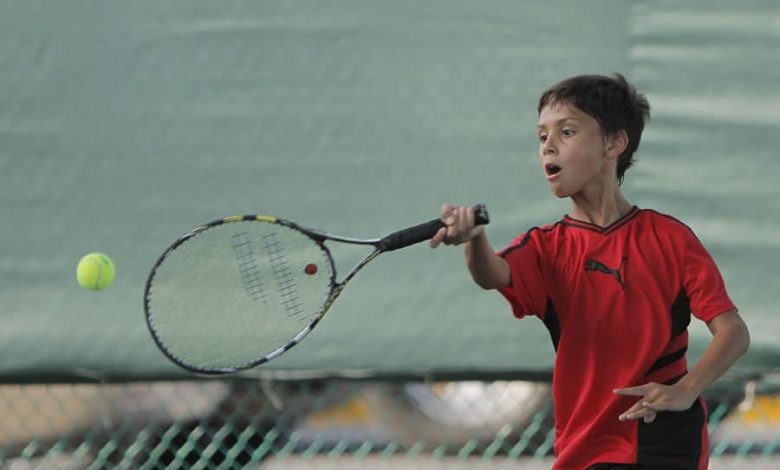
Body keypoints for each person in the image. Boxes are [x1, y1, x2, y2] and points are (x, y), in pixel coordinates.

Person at [430, 73, 750, 470]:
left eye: (567, 132)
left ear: (614, 144)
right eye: (541, 136)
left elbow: (733, 331)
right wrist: (474, 239)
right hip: (583, 444)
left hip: (660, 437)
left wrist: (687, 389)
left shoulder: (670, 238)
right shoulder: (545, 247)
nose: (548, 145)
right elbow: (492, 274)